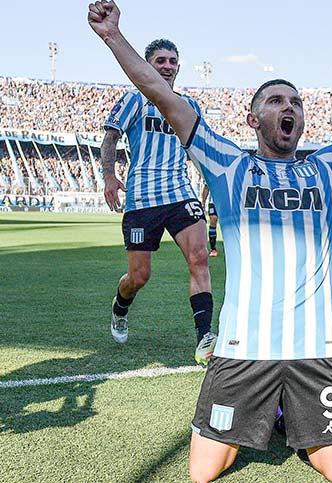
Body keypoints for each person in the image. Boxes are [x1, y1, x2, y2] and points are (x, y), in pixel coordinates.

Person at [88, 2, 332, 482]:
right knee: (202, 472)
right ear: (252, 119)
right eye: (277, 101)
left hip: (315, 347)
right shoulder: (228, 165)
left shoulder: (329, 167)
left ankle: (287, 411)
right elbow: (160, 93)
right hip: (244, 348)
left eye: (296, 103)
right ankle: (276, 409)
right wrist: (113, 36)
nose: (289, 107)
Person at [99, 36, 218, 365]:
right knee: (139, 277)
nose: (167, 66)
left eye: (171, 61)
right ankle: (120, 307)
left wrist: (213, 182)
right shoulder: (135, 100)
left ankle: (205, 338)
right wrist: (109, 176)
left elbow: (200, 149)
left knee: (199, 259)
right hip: (142, 200)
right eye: (160, 61)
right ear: (147, 66)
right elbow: (110, 137)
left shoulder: (190, 106)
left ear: (178, 67)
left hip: (180, 194)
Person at [200, 183, 219, 257]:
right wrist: (203, 202)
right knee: (213, 220)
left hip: (227, 202)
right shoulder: (212, 172)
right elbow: (206, 187)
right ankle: (213, 249)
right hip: (213, 202)